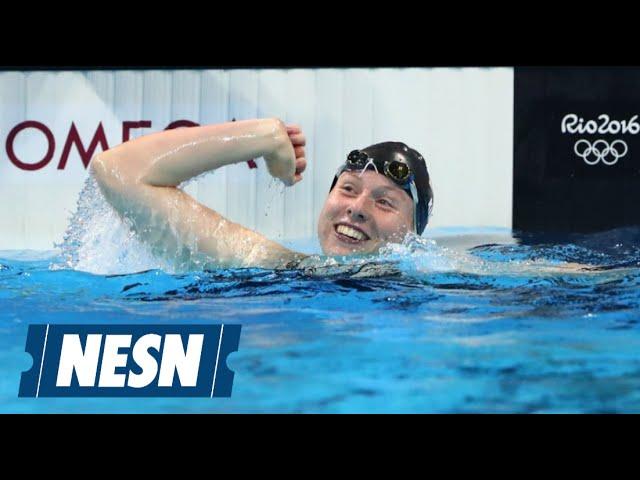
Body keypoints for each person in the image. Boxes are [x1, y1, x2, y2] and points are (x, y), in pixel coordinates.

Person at [90, 118, 433, 270]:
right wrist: (263, 137)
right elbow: (118, 172)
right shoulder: (276, 267)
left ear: (415, 232)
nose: (357, 208)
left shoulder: (439, 284)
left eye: (384, 201)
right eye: (347, 189)